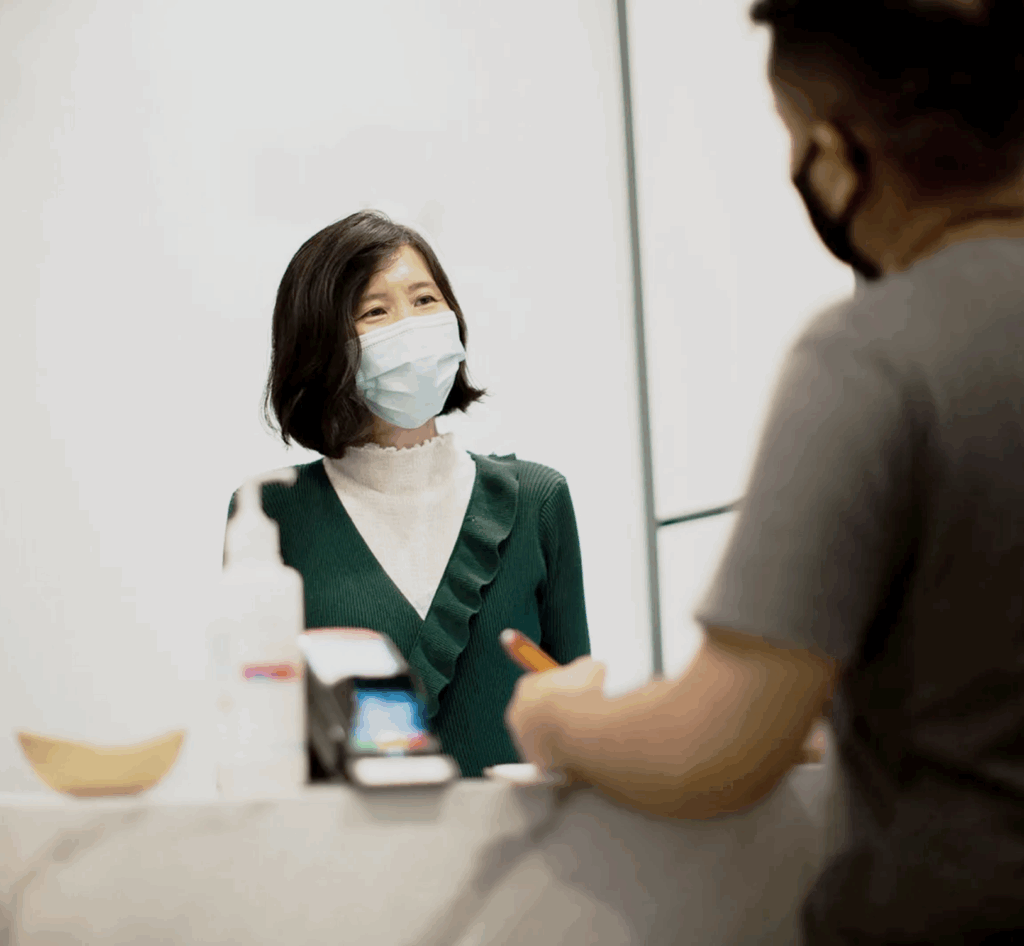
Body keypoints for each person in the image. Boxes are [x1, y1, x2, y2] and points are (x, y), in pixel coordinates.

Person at [507, 0, 1024, 942]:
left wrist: (558, 721)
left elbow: (719, 745)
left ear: (837, 154)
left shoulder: (875, 358)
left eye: (791, 134)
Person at [228, 210, 590, 778]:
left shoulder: (537, 501)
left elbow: (581, 724)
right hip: (340, 835)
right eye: (376, 311)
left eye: (425, 300)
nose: (412, 325)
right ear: (322, 344)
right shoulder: (274, 511)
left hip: (522, 833)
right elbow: (259, 729)